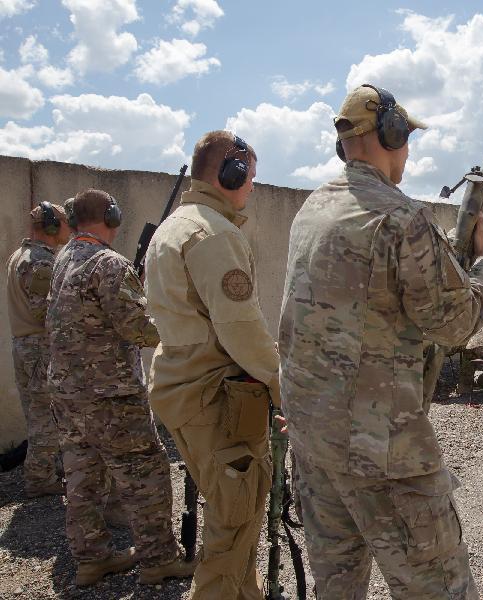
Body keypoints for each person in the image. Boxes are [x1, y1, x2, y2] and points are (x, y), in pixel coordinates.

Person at [278, 84, 483, 599]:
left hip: (315, 439)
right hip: (382, 451)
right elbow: (455, 322)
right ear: (389, 134)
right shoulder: (402, 217)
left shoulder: (315, 208)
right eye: (405, 137)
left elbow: (392, 260)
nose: (408, 149)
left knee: (337, 585)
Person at [144, 131, 280, 599]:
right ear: (231, 174)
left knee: (232, 513)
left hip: (183, 389)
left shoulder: (176, 225)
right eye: (250, 178)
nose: (252, 188)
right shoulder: (214, 234)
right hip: (215, 398)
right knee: (233, 525)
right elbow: (241, 329)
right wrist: (285, 384)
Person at [46, 189, 193, 586]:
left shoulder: (64, 258)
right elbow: (137, 328)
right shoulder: (108, 263)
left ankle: (91, 559)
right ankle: (159, 559)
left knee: (82, 476)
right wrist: (185, 333)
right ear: (112, 216)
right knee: (144, 471)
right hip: (110, 394)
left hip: (68, 391)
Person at [5, 202, 70, 497]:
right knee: (45, 417)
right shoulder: (40, 262)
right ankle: (39, 479)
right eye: (63, 222)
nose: (68, 228)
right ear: (51, 226)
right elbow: (45, 312)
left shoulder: (22, 255)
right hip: (39, 348)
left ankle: (43, 470)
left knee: (39, 414)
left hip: (28, 348)